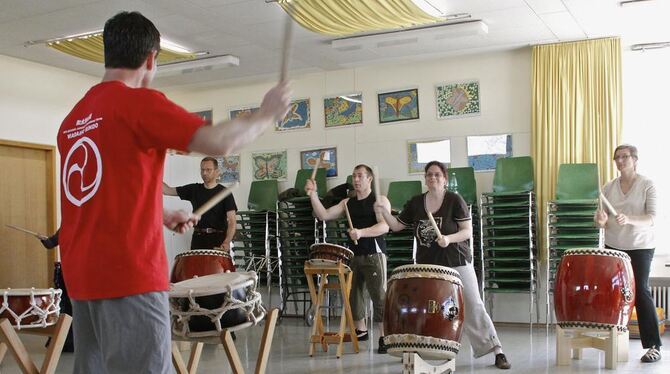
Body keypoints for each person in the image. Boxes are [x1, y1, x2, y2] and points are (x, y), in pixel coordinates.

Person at [56, 11, 290, 373]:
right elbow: (220, 142)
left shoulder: (74, 120)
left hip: (82, 277)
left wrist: (162, 214)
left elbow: (102, 194)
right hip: (129, 275)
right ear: (150, 59)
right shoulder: (139, 104)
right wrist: (266, 114)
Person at [376, 161, 512, 369]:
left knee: (474, 305)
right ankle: (429, 352)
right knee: (431, 310)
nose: (433, 178)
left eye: (437, 175)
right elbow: (395, 226)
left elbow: (467, 231)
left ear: (445, 179)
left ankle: (497, 350)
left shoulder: (454, 200)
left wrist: (448, 239)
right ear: (425, 178)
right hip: (428, 266)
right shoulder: (416, 203)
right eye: (429, 175)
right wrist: (384, 212)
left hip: (456, 261)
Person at [305, 165, 392, 354]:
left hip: (374, 254)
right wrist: (313, 195)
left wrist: (361, 232)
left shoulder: (379, 200)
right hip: (353, 255)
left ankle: (384, 336)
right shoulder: (347, 203)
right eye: (354, 176)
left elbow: (385, 226)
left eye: (360, 176)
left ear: (370, 179)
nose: (356, 179)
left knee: (379, 295)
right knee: (353, 295)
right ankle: (361, 330)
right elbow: (324, 215)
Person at [595, 144, 662, 363]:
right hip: (614, 246)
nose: (620, 161)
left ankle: (653, 345)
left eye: (624, 157)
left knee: (640, 292)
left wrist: (629, 219)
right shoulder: (608, 188)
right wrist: (600, 221)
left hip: (641, 246)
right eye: (617, 158)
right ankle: (613, 339)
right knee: (614, 294)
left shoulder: (647, 185)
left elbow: (652, 217)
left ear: (634, 159)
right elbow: (601, 220)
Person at [163, 157, 238, 251]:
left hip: (218, 240)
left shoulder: (225, 193)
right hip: (198, 239)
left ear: (217, 171)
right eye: (202, 170)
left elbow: (232, 222)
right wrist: (151, 175)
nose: (204, 173)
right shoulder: (194, 189)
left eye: (208, 170)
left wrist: (227, 242)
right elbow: (167, 190)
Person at [38, 229, 74, 353]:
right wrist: (44, 239)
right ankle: (66, 343)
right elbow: (51, 243)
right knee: (66, 308)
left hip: (84, 271)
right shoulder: (67, 226)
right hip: (67, 271)